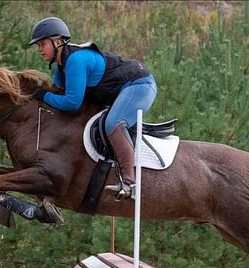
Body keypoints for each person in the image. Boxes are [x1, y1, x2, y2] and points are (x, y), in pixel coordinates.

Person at [30, 16, 157, 199]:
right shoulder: (60, 70)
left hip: (139, 85)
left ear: (57, 42)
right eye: (38, 46)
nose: (40, 50)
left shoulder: (76, 61)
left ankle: (129, 182)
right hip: (122, 89)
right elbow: (61, 103)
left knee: (112, 123)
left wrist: (44, 95)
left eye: (42, 44)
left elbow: (72, 103)